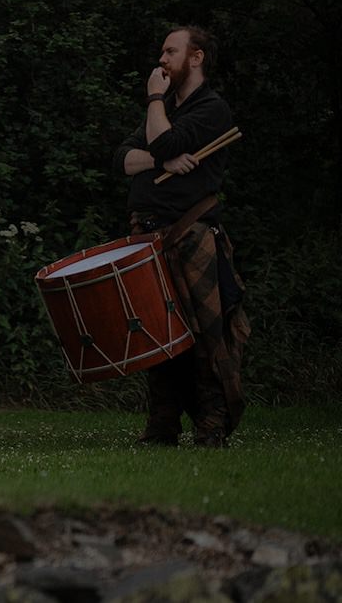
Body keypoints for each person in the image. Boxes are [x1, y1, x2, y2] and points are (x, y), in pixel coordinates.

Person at [113, 26, 250, 448]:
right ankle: (163, 426)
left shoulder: (211, 109)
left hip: (191, 233)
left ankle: (211, 426)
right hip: (149, 236)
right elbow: (122, 158)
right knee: (159, 332)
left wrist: (155, 103)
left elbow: (163, 140)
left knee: (205, 333)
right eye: (162, 51)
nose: (162, 59)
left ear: (197, 57)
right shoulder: (168, 107)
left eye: (171, 51)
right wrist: (161, 153)